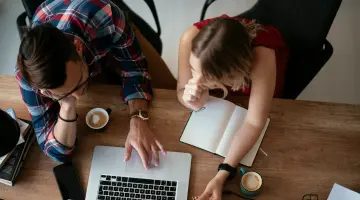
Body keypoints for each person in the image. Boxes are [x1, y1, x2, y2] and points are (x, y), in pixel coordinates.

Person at [16, 0, 176, 169]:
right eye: (66, 93)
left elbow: (135, 69)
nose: (79, 95)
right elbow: (55, 151)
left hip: (104, 32)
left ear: (77, 48)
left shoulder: (106, 16)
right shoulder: (28, 76)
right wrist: (67, 106)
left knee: (170, 90)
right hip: (84, 55)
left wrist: (138, 120)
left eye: (78, 83)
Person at [177, 14, 289, 199]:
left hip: (258, 90)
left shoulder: (263, 56)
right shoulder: (189, 38)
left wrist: (223, 173)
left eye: (206, 78)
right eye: (193, 69)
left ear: (232, 76)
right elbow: (181, 89)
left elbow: (253, 123)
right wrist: (190, 100)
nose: (195, 81)